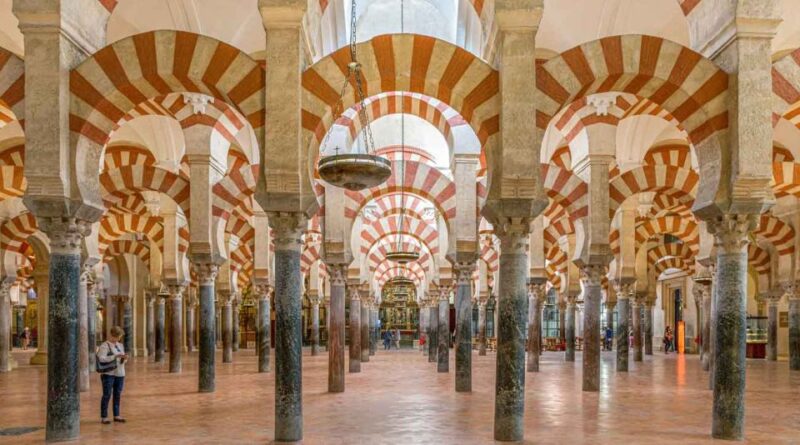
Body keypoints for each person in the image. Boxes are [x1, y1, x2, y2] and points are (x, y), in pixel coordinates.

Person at [97, 326, 128, 424]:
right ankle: (104, 416)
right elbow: (101, 359)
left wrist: (124, 358)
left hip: (120, 373)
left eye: (120, 337)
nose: (118, 339)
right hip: (108, 374)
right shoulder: (105, 345)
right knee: (107, 395)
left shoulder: (120, 345)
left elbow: (122, 360)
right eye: (117, 336)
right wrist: (115, 356)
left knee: (117, 394)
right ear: (112, 335)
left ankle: (116, 415)